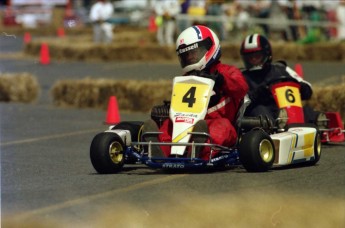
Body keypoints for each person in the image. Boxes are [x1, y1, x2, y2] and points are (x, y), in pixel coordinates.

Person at [143, 25, 248, 160]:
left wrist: (221, 81)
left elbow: (241, 88)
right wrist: (169, 108)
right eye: (187, 54)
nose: (191, 57)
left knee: (221, 128)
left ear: (209, 47)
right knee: (167, 126)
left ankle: (198, 149)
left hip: (216, 122)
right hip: (186, 122)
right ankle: (159, 150)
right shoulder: (187, 77)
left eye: (195, 52)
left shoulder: (227, 72)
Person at [240, 33, 322, 126]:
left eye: (257, 56)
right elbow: (238, 104)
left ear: (266, 54)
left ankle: (316, 129)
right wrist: (256, 95)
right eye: (251, 57)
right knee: (260, 110)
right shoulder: (241, 76)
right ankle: (276, 128)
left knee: (307, 111)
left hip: (285, 109)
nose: (254, 59)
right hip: (262, 114)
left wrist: (303, 88)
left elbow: (305, 85)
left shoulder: (281, 69)